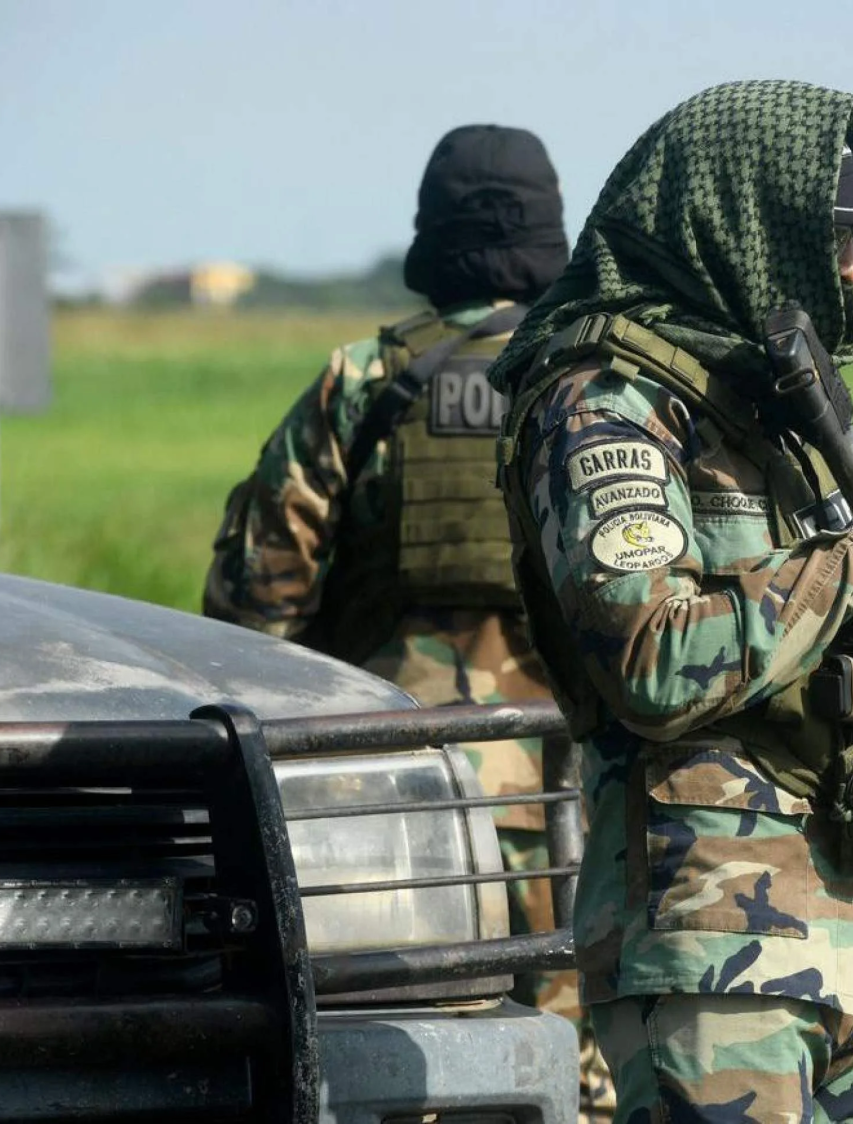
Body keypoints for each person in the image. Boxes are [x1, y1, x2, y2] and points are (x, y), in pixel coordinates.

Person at [486, 80, 853, 1122]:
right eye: (833, 236)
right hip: (715, 944)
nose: (850, 267)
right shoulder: (605, 403)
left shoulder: (760, 405)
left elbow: (815, 598)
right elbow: (652, 657)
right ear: (741, 223)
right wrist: (852, 569)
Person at [202, 123, 613, 1121]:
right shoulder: (602, 375)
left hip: (392, 796)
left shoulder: (364, 379)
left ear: (433, 234)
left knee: (406, 1055)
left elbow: (252, 607)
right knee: (585, 1061)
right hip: (577, 788)